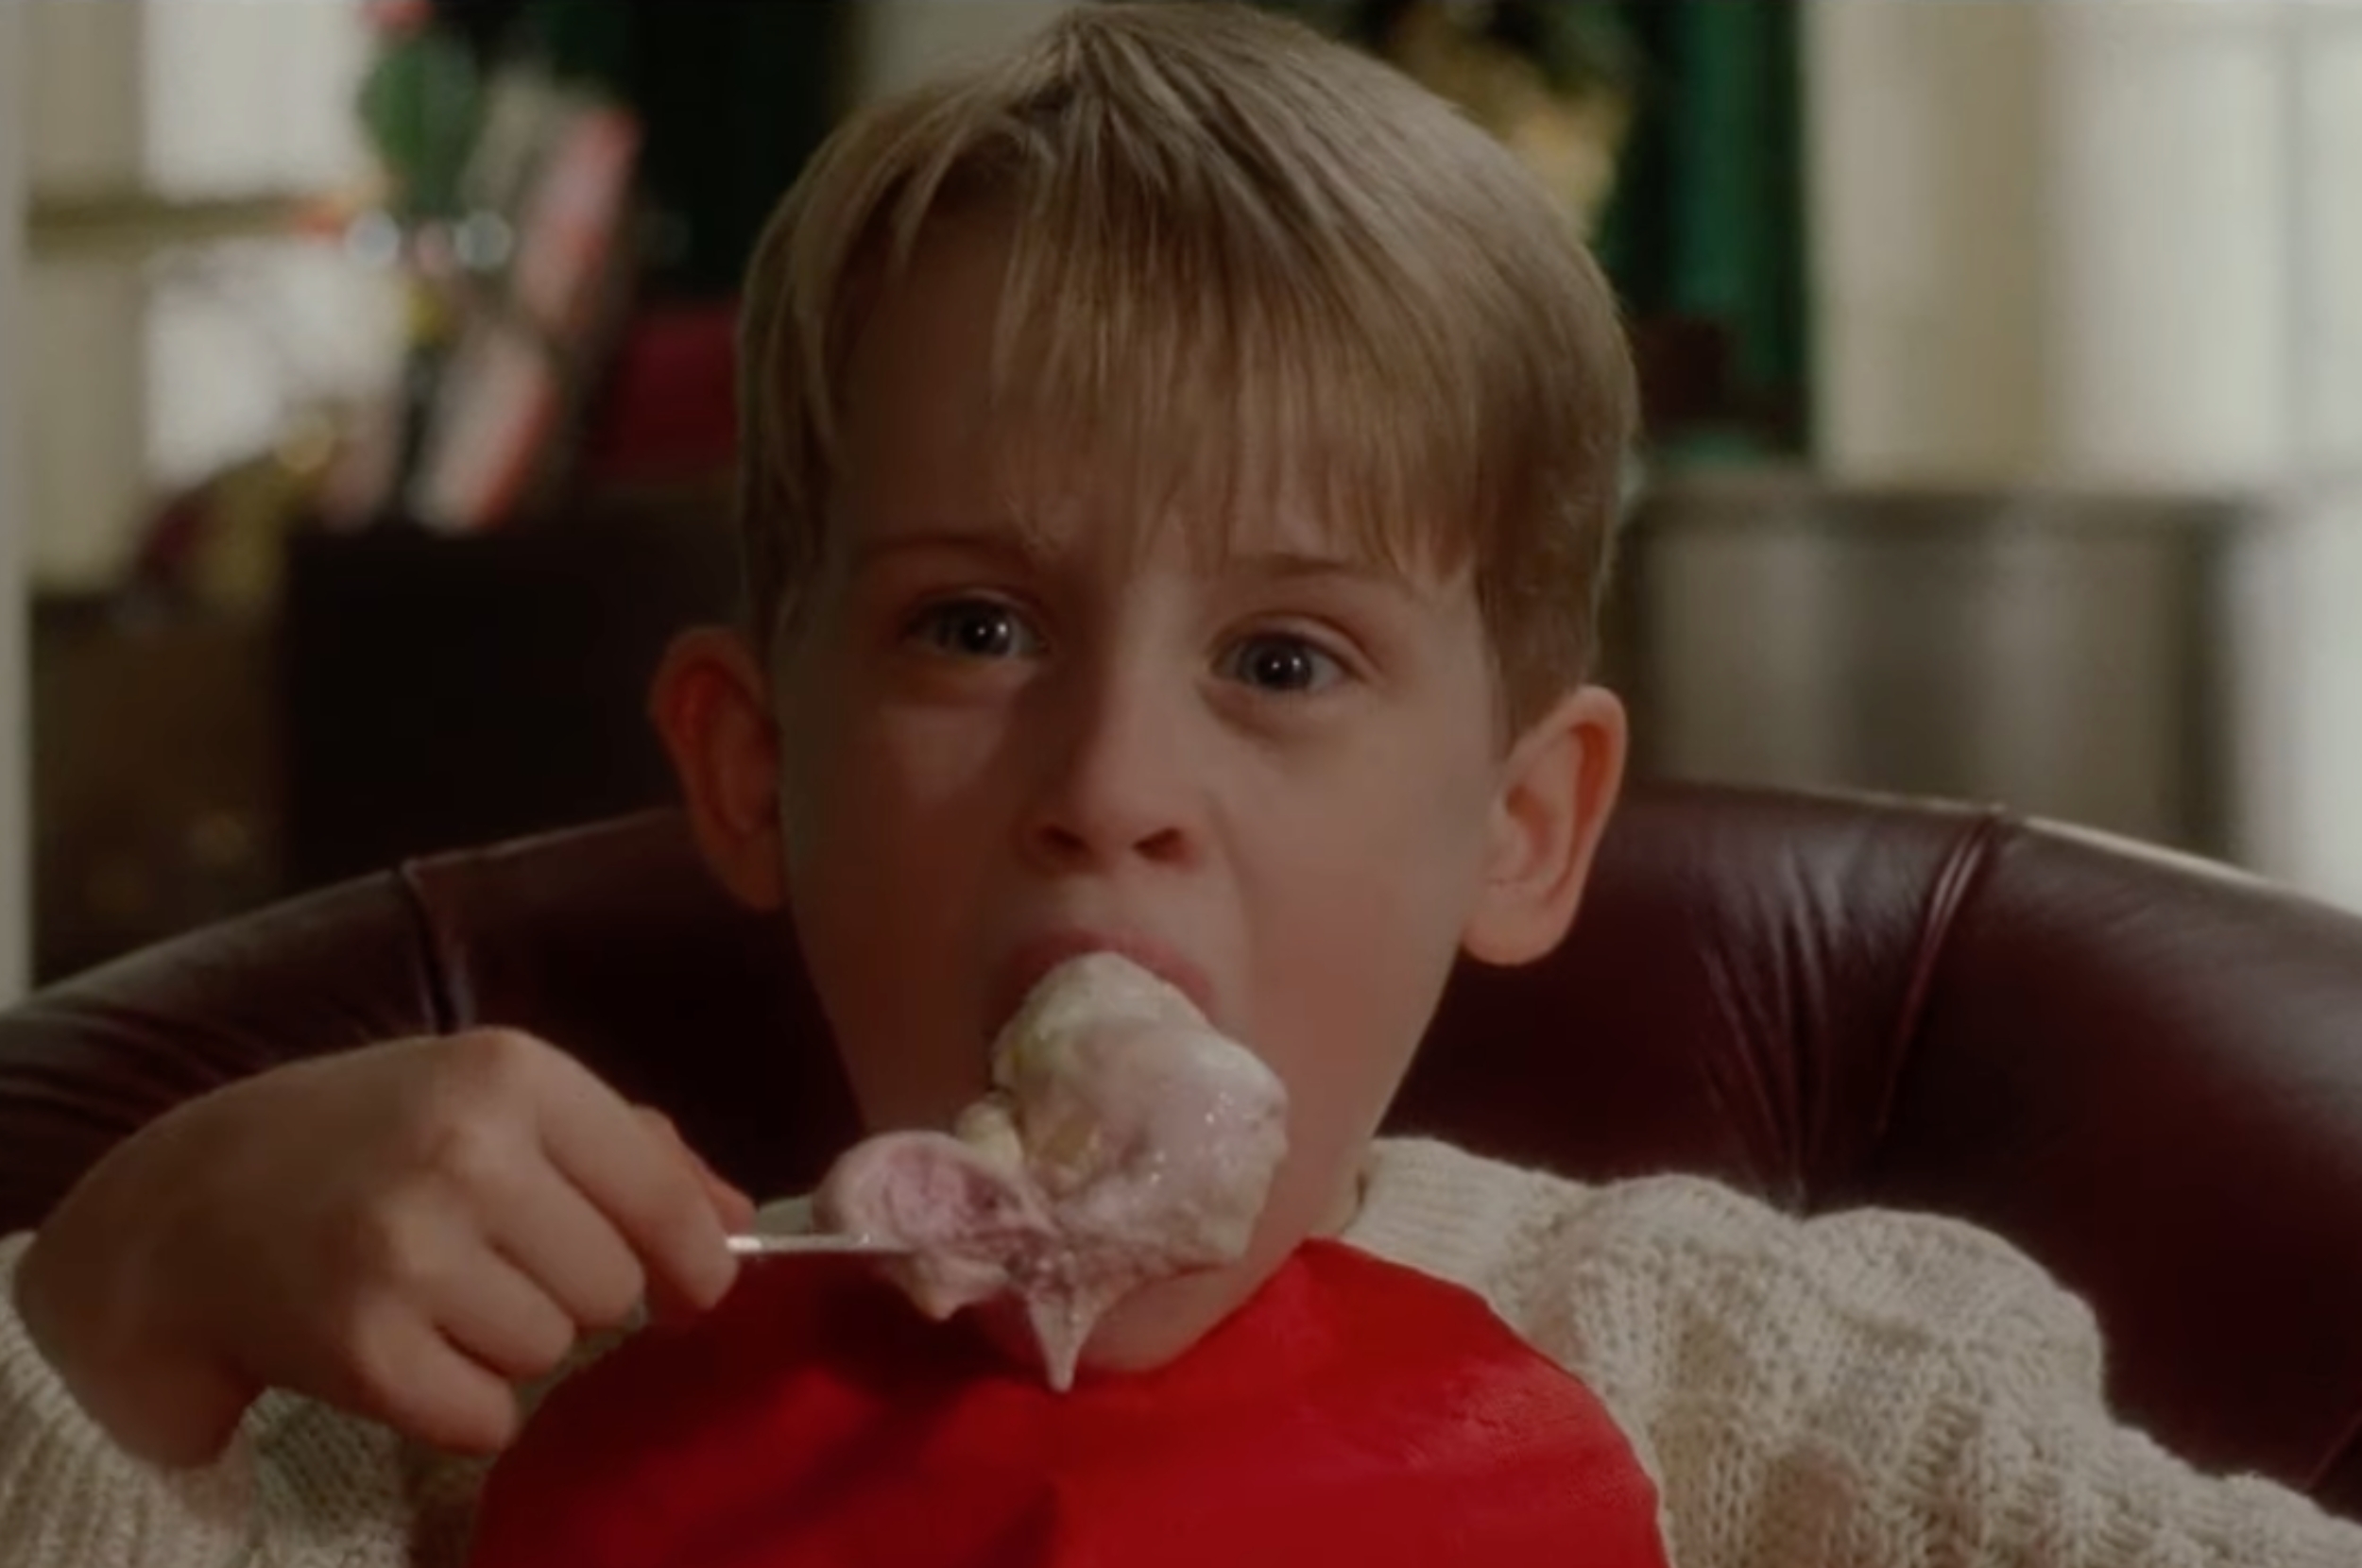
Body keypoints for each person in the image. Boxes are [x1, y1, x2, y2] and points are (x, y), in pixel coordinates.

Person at [2, 6, 2356, 1565]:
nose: (1110, 782)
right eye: (973, 628)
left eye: (1282, 658)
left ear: (1521, 823)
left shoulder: (1749, 1390)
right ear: (753, 763)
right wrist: (125, 1300)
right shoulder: (454, 1409)